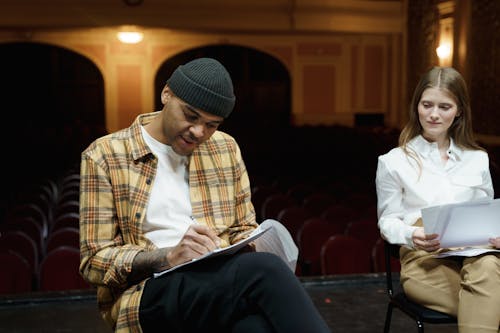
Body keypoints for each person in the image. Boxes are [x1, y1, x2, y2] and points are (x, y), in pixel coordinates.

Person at [79, 57, 331, 333]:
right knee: (265, 270)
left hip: (218, 282)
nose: (199, 132)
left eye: (212, 125)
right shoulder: (105, 155)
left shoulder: (226, 148)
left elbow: (242, 228)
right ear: (166, 94)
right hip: (148, 292)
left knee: (255, 328)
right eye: (191, 116)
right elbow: (94, 261)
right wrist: (168, 256)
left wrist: (249, 243)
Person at [375, 66, 500, 333]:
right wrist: (411, 233)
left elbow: (488, 215)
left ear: (459, 111)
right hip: (424, 260)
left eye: (444, 107)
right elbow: (387, 222)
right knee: (489, 299)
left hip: (476, 257)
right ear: (416, 106)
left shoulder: (477, 159)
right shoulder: (393, 161)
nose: (433, 114)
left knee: (488, 266)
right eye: (427, 104)